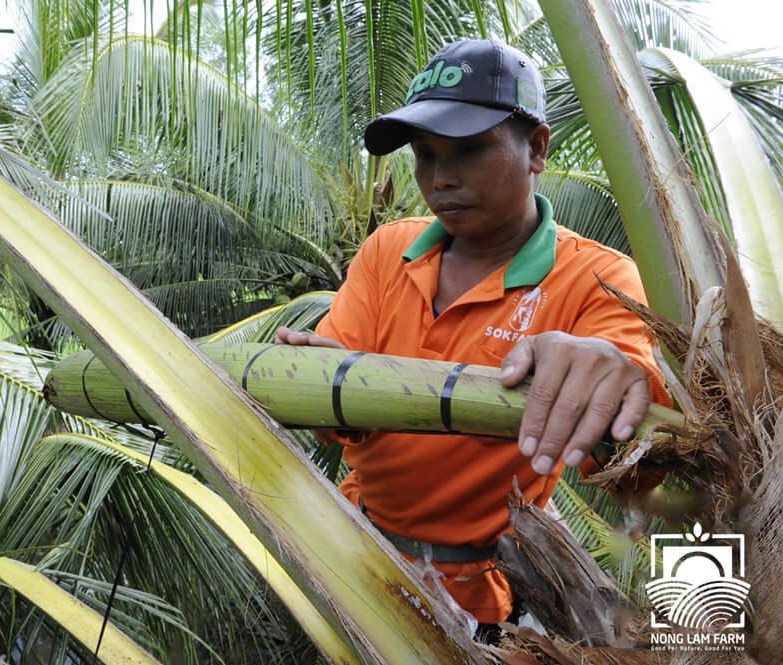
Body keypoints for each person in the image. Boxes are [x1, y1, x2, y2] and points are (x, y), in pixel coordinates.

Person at [275, 39, 671, 636]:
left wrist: (614, 375)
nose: (442, 179)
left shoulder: (598, 281)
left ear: (536, 147)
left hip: (487, 600)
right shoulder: (389, 251)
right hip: (350, 551)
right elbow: (338, 420)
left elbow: (634, 460)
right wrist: (322, 381)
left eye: (469, 151)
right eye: (425, 156)